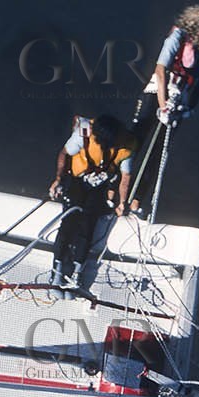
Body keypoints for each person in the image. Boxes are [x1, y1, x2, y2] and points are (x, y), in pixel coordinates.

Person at [128, 5, 199, 205]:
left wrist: (188, 109)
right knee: (134, 141)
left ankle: (137, 200)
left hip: (177, 104)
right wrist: (162, 105)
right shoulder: (177, 38)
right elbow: (160, 71)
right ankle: (114, 190)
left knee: (160, 151)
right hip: (156, 94)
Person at [48, 114, 138, 289]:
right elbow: (64, 153)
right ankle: (57, 267)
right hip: (77, 180)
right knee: (68, 223)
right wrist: (58, 178)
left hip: (98, 187)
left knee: (88, 226)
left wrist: (122, 202)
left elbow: (125, 177)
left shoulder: (127, 145)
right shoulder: (84, 132)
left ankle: (77, 270)